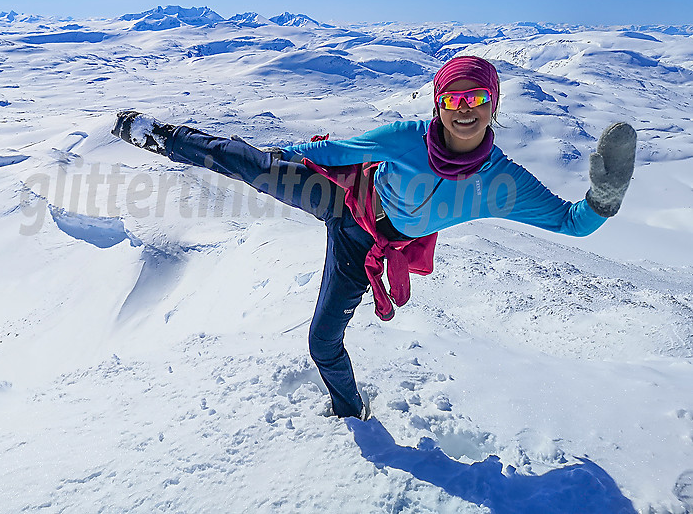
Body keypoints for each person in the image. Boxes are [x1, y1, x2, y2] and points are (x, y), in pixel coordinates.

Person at [111, 55, 636, 420]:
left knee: (321, 341)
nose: (465, 108)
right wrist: (276, 158)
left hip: (363, 243)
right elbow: (333, 152)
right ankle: (154, 133)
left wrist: (605, 197)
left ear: (494, 105)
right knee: (246, 165)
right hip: (343, 198)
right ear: (438, 104)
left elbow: (573, 221)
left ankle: (349, 411)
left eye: (477, 97)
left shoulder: (501, 184)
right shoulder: (402, 139)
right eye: (453, 99)